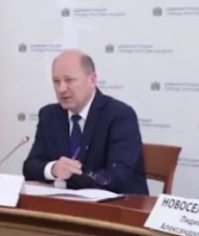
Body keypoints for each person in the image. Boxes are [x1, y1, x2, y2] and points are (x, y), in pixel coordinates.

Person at [22, 49, 148, 194]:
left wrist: (69, 178)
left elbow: (118, 177)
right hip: (65, 204)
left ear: (91, 80)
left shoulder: (119, 115)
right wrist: (53, 169)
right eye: (56, 81)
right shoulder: (49, 115)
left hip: (118, 205)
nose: (61, 89)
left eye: (69, 80)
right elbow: (30, 167)